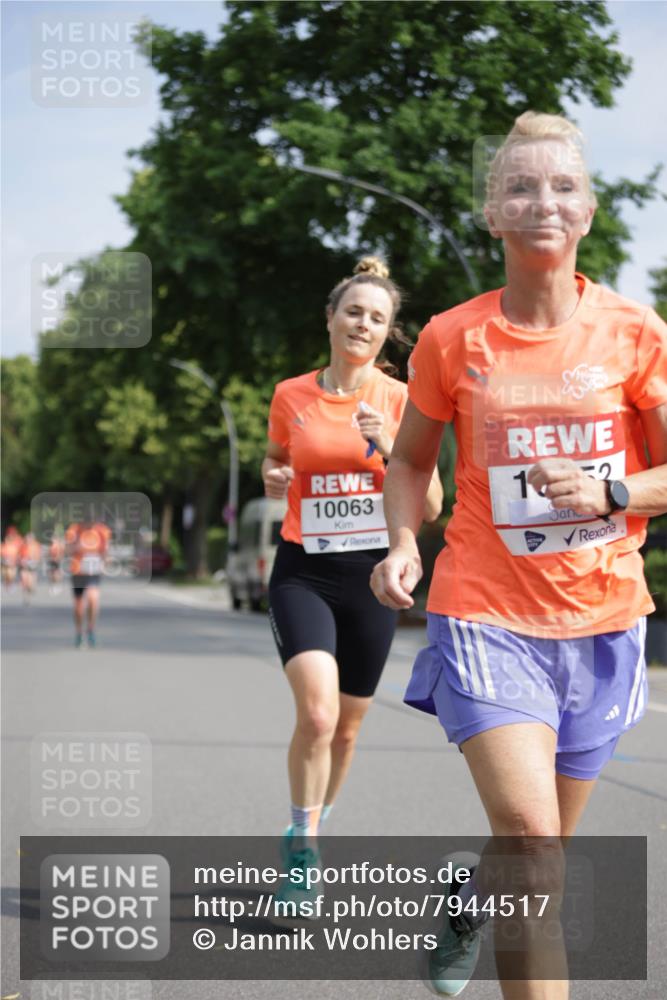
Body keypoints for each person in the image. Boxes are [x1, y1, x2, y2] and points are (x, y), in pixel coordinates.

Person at [371, 112, 667, 999]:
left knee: (534, 863)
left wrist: (613, 492)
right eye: (520, 186)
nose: (543, 201)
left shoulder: (635, 333)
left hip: (603, 620)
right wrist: (399, 541)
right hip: (485, 615)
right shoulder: (452, 339)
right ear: (490, 212)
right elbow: (412, 460)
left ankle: (469, 896)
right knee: (535, 850)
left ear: (587, 212)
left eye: (563, 186)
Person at [262, 256, 443, 915]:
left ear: (387, 332)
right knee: (317, 713)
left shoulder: (400, 399)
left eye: (377, 317)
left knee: (345, 731)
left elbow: (431, 506)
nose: (362, 324)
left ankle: (312, 821)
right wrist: (272, 477)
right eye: (352, 311)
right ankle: (302, 847)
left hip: (371, 575)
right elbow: (278, 460)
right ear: (331, 318)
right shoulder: (290, 395)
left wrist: (394, 443)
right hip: (302, 570)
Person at [65, 519, 111, 648]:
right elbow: (67, 550)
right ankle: (79, 632)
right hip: (78, 572)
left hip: (93, 571)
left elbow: (105, 550)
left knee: (93, 599)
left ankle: (91, 629)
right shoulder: (74, 529)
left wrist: (105, 562)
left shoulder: (102, 530)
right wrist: (76, 546)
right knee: (79, 607)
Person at [18, 532, 42, 604]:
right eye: (27, 538)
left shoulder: (36, 545)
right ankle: (26, 597)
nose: (29, 540)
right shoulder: (23, 545)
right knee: (24, 581)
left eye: (30, 538)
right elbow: (19, 555)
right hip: (24, 566)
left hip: (32, 566)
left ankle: (31, 588)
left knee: (30, 583)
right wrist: (21, 561)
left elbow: (38, 556)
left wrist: (35, 561)